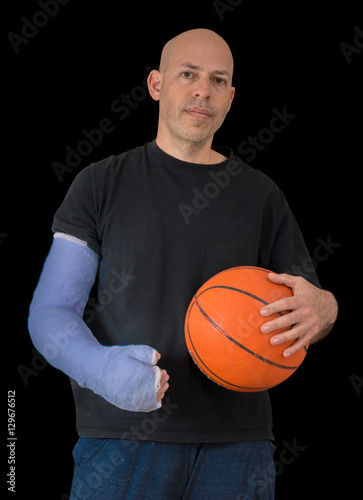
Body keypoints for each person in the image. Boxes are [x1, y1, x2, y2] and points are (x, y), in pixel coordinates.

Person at [28, 28, 338, 499]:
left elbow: (309, 307)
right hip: (123, 438)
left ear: (231, 98)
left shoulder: (262, 196)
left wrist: (327, 308)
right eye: (188, 74)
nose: (202, 90)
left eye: (218, 80)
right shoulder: (99, 183)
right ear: (156, 85)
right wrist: (105, 370)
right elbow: (51, 312)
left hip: (240, 444)